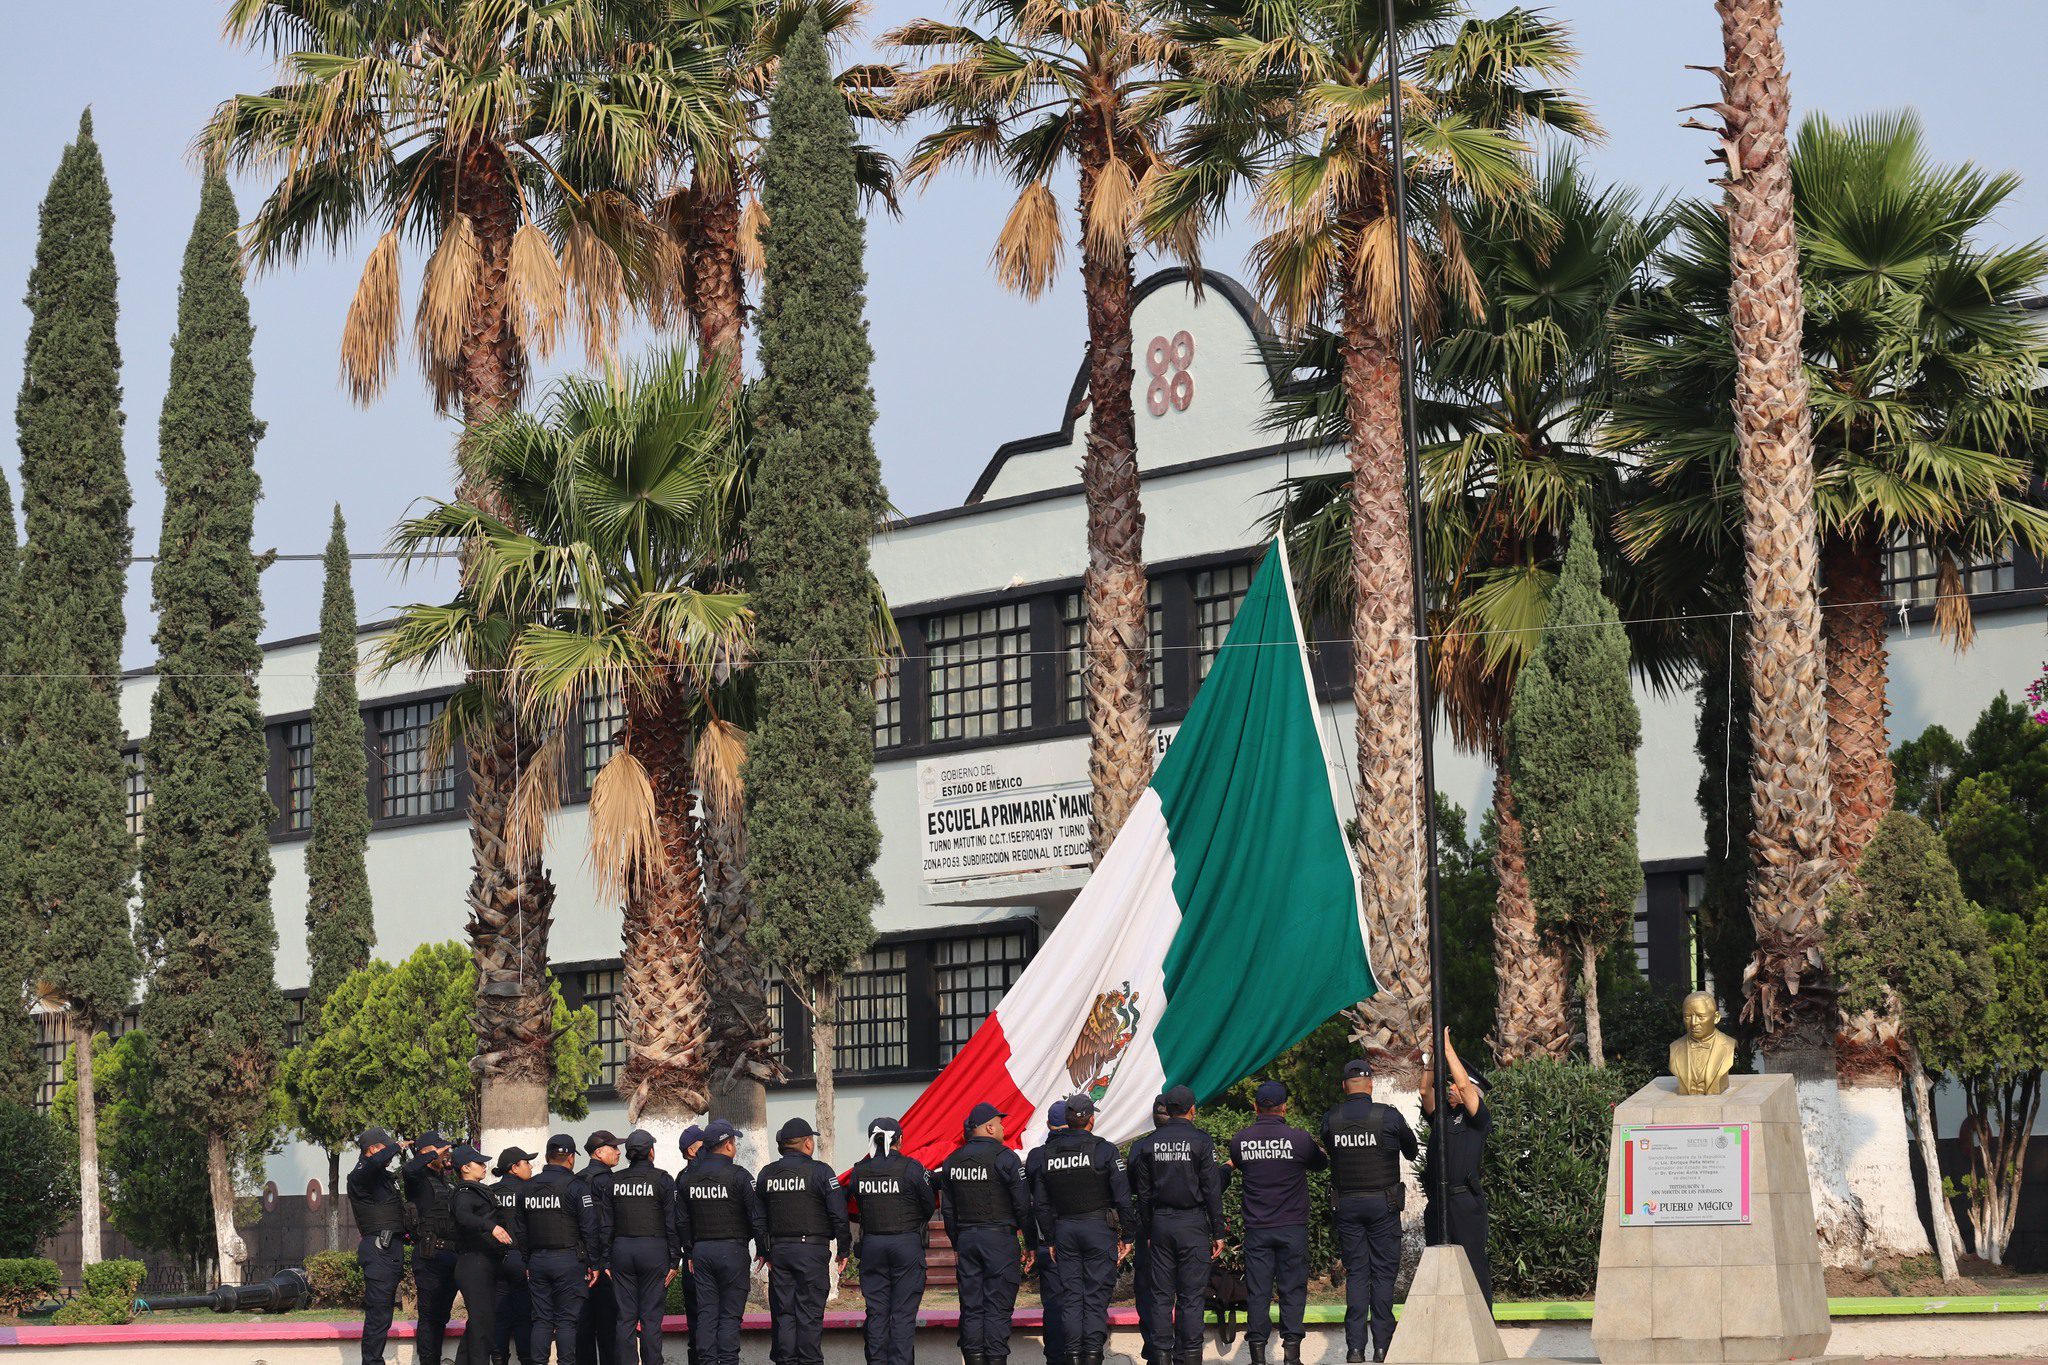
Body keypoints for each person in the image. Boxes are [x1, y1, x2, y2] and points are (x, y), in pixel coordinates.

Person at [1320, 1060, 1416, 1363]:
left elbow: (1329, 1153)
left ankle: (1355, 1349)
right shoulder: (1388, 1116)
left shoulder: (1331, 1118)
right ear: (1371, 1084)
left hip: (1347, 1205)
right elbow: (1412, 1150)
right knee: (1384, 1275)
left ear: (1343, 1087)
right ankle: (1381, 1347)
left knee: (1358, 1275)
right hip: (1383, 1206)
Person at [1026, 1093, 1133, 1365]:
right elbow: (1122, 1198)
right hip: (1097, 1229)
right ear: (1090, 1120)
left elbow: (1040, 1203)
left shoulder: (1047, 1154)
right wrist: (1129, 1235)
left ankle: (1072, 1357)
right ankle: (1093, 1356)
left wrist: (1050, 1237)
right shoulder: (1105, 1150)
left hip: (1064, 1231)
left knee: (1072, 1299)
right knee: (1095, 1298)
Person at [1229, 1081, 1326, 1365]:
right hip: (1292, 1228)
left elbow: (1235, 1163)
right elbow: (1321, 1164)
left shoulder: (1240, 1140)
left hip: (1257, 1230)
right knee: (1292, 1289)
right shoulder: (1299, 1139)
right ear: (1285, 1107)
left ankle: (1257, 1355)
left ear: (1255, 1107)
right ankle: (1291, 1355)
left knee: (1258, 1292)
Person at [1127, 1087, 1223, 1365]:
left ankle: (1160, 1356)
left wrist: (1148, 1229)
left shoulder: (1147, 1144)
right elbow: (1211, 1189)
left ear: (1166, 1110)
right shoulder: (1201, 1141)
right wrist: (1218, 1232)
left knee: (1159, 1295)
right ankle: (1189, 1356)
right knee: (1191, 1295)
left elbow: (1142, 1194)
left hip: (1160, 1224)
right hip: (1192, 1223)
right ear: (1192, 1109)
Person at [935, 1102, 1033, 1365]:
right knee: (998, 1307)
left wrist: (958, 1241)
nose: (1003, 1127)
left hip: (967, 1239)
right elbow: (1023, 1205)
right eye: (1000, 1123)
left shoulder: (952, 1161)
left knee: (971, 1306)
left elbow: (948, 1210)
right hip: (999, 1239)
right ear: (989, 1127)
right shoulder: (1005, 1157)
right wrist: (1031, 1243)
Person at [756, 1116, 850, 1365]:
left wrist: (766, 1251)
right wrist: (843, 1249)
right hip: (811, 1252)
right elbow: (838, 1214)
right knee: (808, 1314)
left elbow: (758, 1218)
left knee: (784, 1314)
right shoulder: (821, 1172)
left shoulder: (767, 1174)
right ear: (807, 1143)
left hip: (780, 1253)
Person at [848, 1116, 936, 1365]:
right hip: (906, 1245)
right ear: (899, 1139)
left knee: (876, 1313)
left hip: (873, 1246)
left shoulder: (859, 1170)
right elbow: (928, 1205)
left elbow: (855, 1202)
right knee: (902, 1315)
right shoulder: (912, 1167)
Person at [594, 1129, 682, 1365]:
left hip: (622, 1250)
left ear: (628, 1155)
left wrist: (606, 1260)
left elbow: (606, 1225)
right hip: (654, 1250)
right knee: (651, 1318)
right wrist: (675, 1260)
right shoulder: (663, 1179)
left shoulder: (614, 1180)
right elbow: (672, 1222)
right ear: (651, 1152)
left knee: (625, 1318)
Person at [678, 1120, 762, 1365]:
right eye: (733, 1142)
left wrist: (690, 1252)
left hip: (701, 1252)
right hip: (733, 1251)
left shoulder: (687, 1178)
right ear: (727, 1145)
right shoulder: (740, 1176)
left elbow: (682, 1221)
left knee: (706, 1314)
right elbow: (756, 1216)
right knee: (729, 1316)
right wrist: (764, 1249)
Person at [1421, 1031, 1493, 1305]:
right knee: (1437, 1268)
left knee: (1473, 1266)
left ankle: (1484, 1320)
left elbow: (1464, 1087)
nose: (1450, 1087)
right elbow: (1425, 1091)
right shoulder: (1442, 1117)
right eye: (1449, 1083)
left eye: (1456, 1084)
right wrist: (1432, 1057)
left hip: (1464, 1202)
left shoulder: (1478, 1119)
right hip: (1439, 1202)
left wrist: (1448, 1048)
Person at [520, 1133, 602, 1365]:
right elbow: (589, 1228)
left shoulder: (527, 1188)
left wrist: (527, 1261)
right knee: (567, 1321)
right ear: (570, 1160)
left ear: (547, 1157)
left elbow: (520, 1229)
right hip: (568, 1261)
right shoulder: (576, 1186)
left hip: (537, 1261)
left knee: (542, 1320)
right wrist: (594, 1263)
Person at [347, 1127, 407, 1365]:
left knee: (385, 1316)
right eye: (385, 1148)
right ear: (372, 1149)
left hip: (392, 1249)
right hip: (378, 1249)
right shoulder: (360, 1174)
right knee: (378, 1315)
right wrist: (397, 1146)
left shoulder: (383, 1177)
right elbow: (371, 1164)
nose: (390, 1154)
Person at [453, 1147, 518, 1365]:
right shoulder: (463, 1194)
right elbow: (462, 1216)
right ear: (465, 1168)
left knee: (479, 1324)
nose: (484, 1166)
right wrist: (490, 1226)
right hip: (474, 1263)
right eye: (479, 1163)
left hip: (487, 1262)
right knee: (483, 1326)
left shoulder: (479, 1190)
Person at [406, 1131, 462, 1365]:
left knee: (441, 1317)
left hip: (450, 1255)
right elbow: (409, 1169)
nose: (445, 1153)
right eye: (440, 1150)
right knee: (429, 1317)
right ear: (427, 1152)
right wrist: (430, 1154)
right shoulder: (417, 1179)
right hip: (430, 1256)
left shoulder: (444, 1181)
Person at [578, 1131, 625, 1365]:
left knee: (582, 1326)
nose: (618, 1152)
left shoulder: (575, 1179)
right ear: (598, 1152)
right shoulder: (610, 1181)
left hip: (579, 1263)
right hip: (607, 1264)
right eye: (613, 1147)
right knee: (609, 1327)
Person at [492, 1147, 541, 1365]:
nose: (531, 1166)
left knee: (500, 1315)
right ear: (514, 1168)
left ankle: (499, 1359)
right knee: (524, 1315)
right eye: (527, 1163)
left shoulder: (490, 1192)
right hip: (521, 1259)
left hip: (496, 1261)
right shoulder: (529, 1190)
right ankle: (526, 1359)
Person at [1129, 1096, 1168, 1357]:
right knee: (1183, 1291)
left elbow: (1132, 1187)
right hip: (1186, 1226)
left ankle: (1155, 1349)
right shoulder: (1197, 1140)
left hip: (1149, 1224)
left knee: (1149, 1289)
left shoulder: (1140, 1146)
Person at [1032, 1100, 1068, 1365]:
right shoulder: (1098, 1150)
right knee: (1085, 1302)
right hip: (1086, 1238)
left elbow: (1030, 1200)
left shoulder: (1037, 1157)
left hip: (1049, 1240)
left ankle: (1056, 1359)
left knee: (1055, 1305)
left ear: (1048, 1125)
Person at [675, 1126, 706, 1365]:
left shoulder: (682, 1178)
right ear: (692, 1150)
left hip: (693, 1258)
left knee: (697, 1324)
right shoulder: (725, 1173)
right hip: (705, 1257)